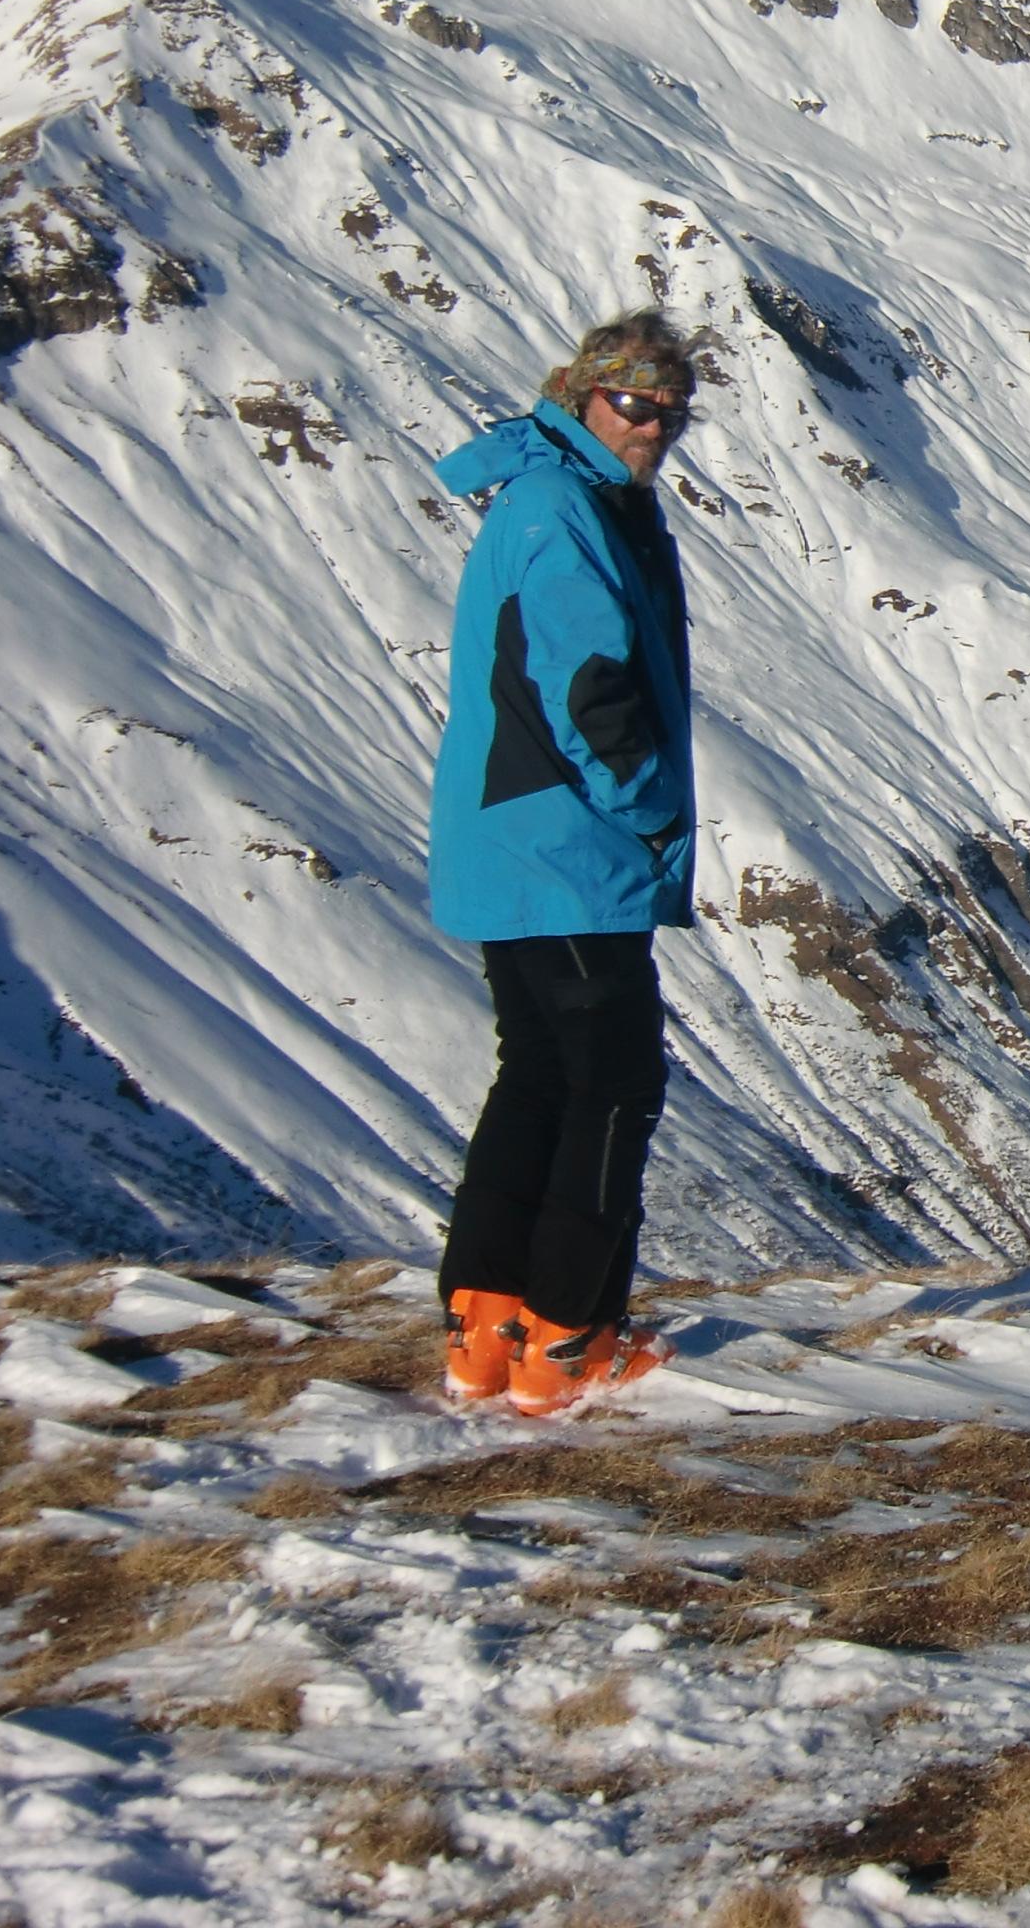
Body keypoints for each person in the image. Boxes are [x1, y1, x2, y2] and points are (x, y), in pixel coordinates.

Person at [425, 310, 702, 1414]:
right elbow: (590, 687)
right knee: (615, 1084)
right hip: (567, 844)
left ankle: (487, 1329)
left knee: (538, 1073)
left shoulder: (550, 494)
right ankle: (571, 1337)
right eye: (635, 404)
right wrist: (646, 810)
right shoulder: (563, 507)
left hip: (512, 838)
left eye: (672, 412)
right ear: (582, 395)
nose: (654, 428)